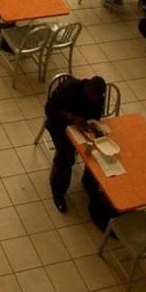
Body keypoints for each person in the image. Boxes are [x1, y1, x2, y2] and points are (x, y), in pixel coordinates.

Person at [43, 74, 107, 214]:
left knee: (96, 152)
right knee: (66, 156)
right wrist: (71, 117)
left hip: (82, 128)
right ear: (87, 87)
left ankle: (89, 184)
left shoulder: (98, 97)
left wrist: (94, 126)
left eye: (96, 97)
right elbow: (50, 110)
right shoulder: (70, 89)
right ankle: (58, 189)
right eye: (92, 95)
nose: (94, 99)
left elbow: (96, 115)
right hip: (60, 125)